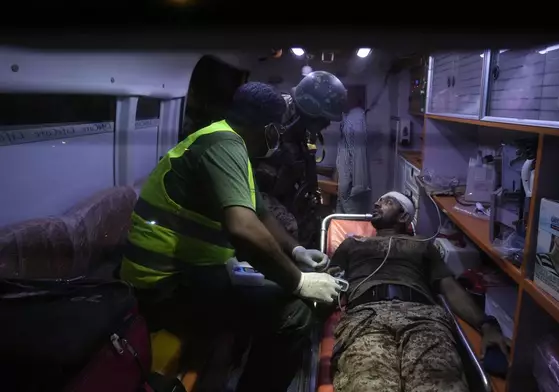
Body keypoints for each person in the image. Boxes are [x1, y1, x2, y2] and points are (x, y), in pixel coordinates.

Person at [119, 82, 340, 392]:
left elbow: (261, 214)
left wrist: (297, 252)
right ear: (266, 127)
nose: (277, 137)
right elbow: (243, 228)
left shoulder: (233, 146)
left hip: (195, 272)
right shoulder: (223, 146)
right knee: (299, 312)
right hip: (163, 285)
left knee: (283, 287)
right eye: (276, 129)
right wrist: (299, 282)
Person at [327, 191, 509, 392]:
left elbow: (449, 287)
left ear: (404, 217)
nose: (377, 204)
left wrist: (486, 325)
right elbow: (329, 281)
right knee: (368, 384)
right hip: (365, 317)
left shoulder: (422, 246)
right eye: (378, 201)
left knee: (438, 384)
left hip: (422, 319)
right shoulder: (352, 244)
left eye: (387, 202)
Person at [254, 71, 348, 249]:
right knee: (289, 227)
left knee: (310, 226)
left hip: (283, 188)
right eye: (324, 119)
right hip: (255, 189)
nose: (327, 124)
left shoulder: (301, 125)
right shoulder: (275, 115)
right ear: (310, 110)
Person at [336, 94, 371, 213]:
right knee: (341, 219)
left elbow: (358, 156)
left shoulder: (355, 119)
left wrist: (357, 186)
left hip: (351, 187)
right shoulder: (349, 118)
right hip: (345, 184)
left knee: (351, 220)